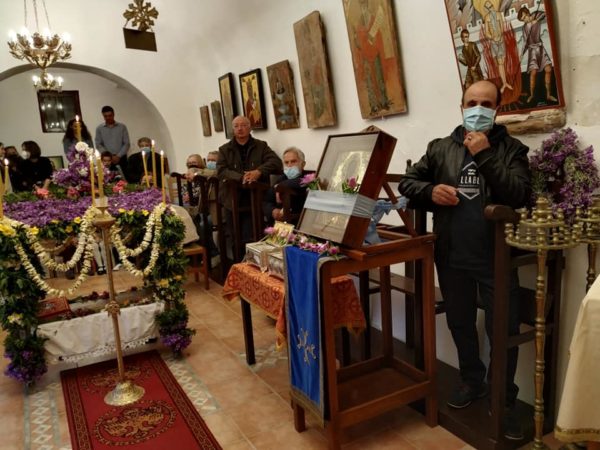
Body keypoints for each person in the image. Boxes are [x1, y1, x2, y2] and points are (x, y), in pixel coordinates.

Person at [398, 80, 531, 441]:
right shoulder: (440, 147)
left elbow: (518, 195)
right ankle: (472, 380)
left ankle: (503, 400)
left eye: (486, 103)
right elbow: (408, 183)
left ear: (497, 109)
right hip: (452, 253)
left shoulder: (513, 149)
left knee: (502, 330)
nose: (478, 109)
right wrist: (430, 191)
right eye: (471, 102)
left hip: (496, 257)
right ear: (461, 106)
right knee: (459, 322)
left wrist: (485, 154)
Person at [217, 116, 282, 260]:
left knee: (252, 236)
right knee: (235, 237)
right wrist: (241, 177)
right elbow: (221, 171)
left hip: (255, 199)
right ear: (233, 129)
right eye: (236, 126)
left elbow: (276, 162)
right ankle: (238, 266)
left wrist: (258, 172)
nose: (240, 129)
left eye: (243, 125)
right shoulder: (224, 149)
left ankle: (254, 265)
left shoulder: (261, 146)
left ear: (250, 127)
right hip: (232, 200)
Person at [517, 5, 558, 104]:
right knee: (533, 73)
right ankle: (532, 95)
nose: (525, 20)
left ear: (527, 13)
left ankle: (548, 95)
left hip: (541, 49)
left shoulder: (536, 15)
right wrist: (522, 54)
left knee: (548, 70)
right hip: (532, 52)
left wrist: (536, 20)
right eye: (523, 20)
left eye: (524, 17)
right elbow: (525, 42)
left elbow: (544, 14)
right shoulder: (525, 27)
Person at [263, 147, 308, 226]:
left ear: (303, 164)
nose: (289, 165)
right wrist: (272, 210)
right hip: (281, 225)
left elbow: (302, 182)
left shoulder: (308, 179)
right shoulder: (281, 179)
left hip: (301, 224)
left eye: (293, 161)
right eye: (286, 163)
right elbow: (266, 201)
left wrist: (280, 186)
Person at [95, 106, 130, 173]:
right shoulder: (99, 128)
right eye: (105, 116)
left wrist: (118, 156)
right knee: (107, 177)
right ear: (103, 116)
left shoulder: (122, 127)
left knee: (123, 177)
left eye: (110, 115)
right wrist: (109, 156)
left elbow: (126, 143)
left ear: (114, 114)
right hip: (106, 160)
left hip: (121, 158)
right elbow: (98, 144)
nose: (108, 118)